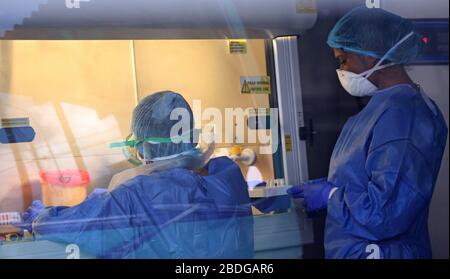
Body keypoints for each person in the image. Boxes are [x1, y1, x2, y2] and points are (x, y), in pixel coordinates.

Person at [288, 7, 448, 259]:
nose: (341, 70)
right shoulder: (381, 108)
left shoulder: (403, 115)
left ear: (370, 54)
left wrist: (330, 196)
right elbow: (360, 182)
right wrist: (319, 191)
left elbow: (388, 212)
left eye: (343, 59)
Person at [18, 91, 254, 259]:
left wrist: (41, 217)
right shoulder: (227, 177)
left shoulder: (136, 195)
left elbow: (74, 227)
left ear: (146, 144)